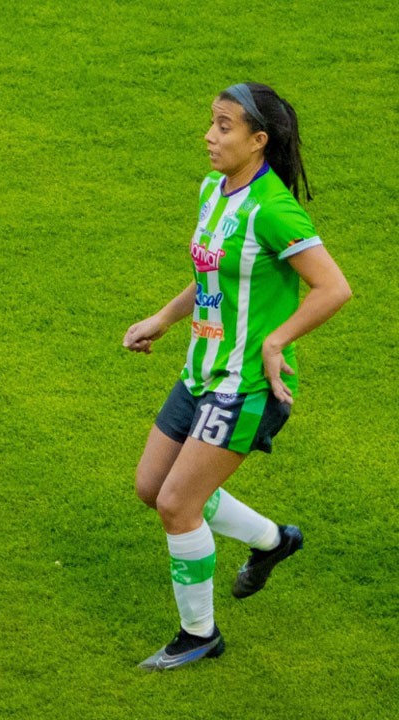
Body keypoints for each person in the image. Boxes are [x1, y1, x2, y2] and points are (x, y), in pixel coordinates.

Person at [123, 83, 351, 671]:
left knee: (178, 504)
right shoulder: (214, 191)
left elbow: (334, 288)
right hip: (201, 370)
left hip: (247, 384)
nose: (209, 135)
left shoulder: (273, 209)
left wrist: (278, 340)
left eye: (224, 126)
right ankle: (274, 541)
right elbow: (211, 278)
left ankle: (199, 634)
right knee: (153, 488)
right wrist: (164, 319)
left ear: (259, 140)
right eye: (211, 123)